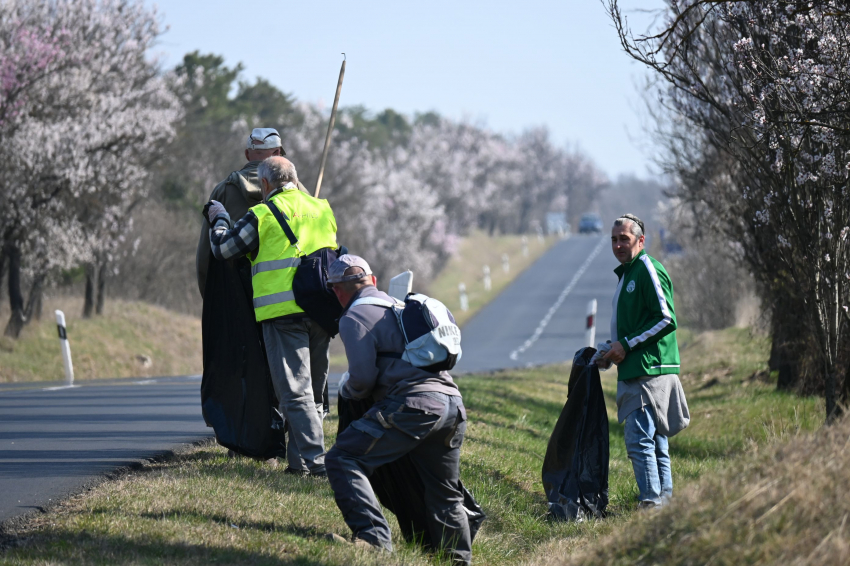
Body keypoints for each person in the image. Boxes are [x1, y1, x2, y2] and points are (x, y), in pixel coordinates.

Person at [324, 255, 472, 564]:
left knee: (344, 458)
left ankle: (373, 539)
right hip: (452, 406)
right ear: (373, 281)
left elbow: (362, 380)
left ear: (338, 290)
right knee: (444, 492)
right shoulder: (401, 306)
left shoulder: (354, 316)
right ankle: (457, 560)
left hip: (414, 406)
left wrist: (347, 392)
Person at [205, 156, 337, 476]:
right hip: (323, 312)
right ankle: (298, 464)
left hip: (283, 314)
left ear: (264, 185)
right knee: (313, 393)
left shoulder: (261, 214)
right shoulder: (322, 209)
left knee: (294, 392)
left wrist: (219, 218)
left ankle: (317, 465)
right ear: (295, 177)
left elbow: (224, 248)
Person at [602, 213, 689, 509]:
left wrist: (625, 345)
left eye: (624, 239)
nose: (617, 245)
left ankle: (651, 504)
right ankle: (664, 503)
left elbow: (667, 318)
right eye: (613, 239)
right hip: (638, 366)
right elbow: (633, 325)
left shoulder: (648, 268)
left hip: (650, 369)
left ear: (641, 241)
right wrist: (609, 351)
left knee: (640, 441)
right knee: (656, 441)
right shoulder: (627, 272)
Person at [196, 127, 308, 298]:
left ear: (247, 154)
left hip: (234, 298)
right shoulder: (299, 192)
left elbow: (205, 254)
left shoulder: (223, 191)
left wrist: (210, 296)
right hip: (286, 298)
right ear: (278, 152)